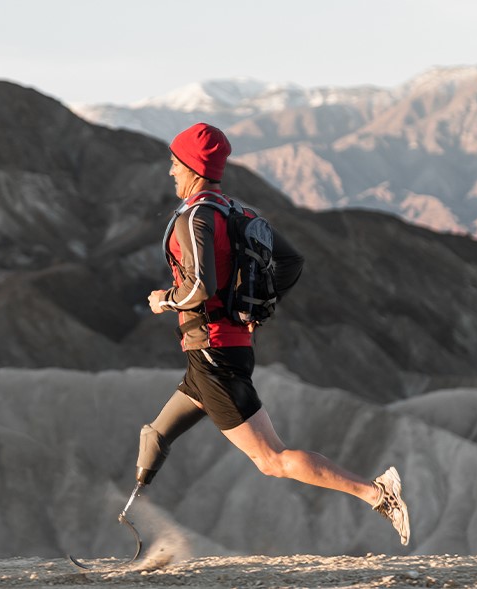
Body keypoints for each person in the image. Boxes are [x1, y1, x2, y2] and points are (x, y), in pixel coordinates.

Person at [134, 122, 411, 545]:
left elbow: (200, 286)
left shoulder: (196, 217)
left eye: (174, 163)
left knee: (271, 459)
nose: (171, 171)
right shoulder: (237, 211)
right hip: (219, 352)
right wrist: (251, 306)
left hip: (214, 354)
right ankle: (133, 508)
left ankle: (377, 494)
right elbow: (291, 261)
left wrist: (165, 300)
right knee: (156, 433)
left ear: (192, 166)